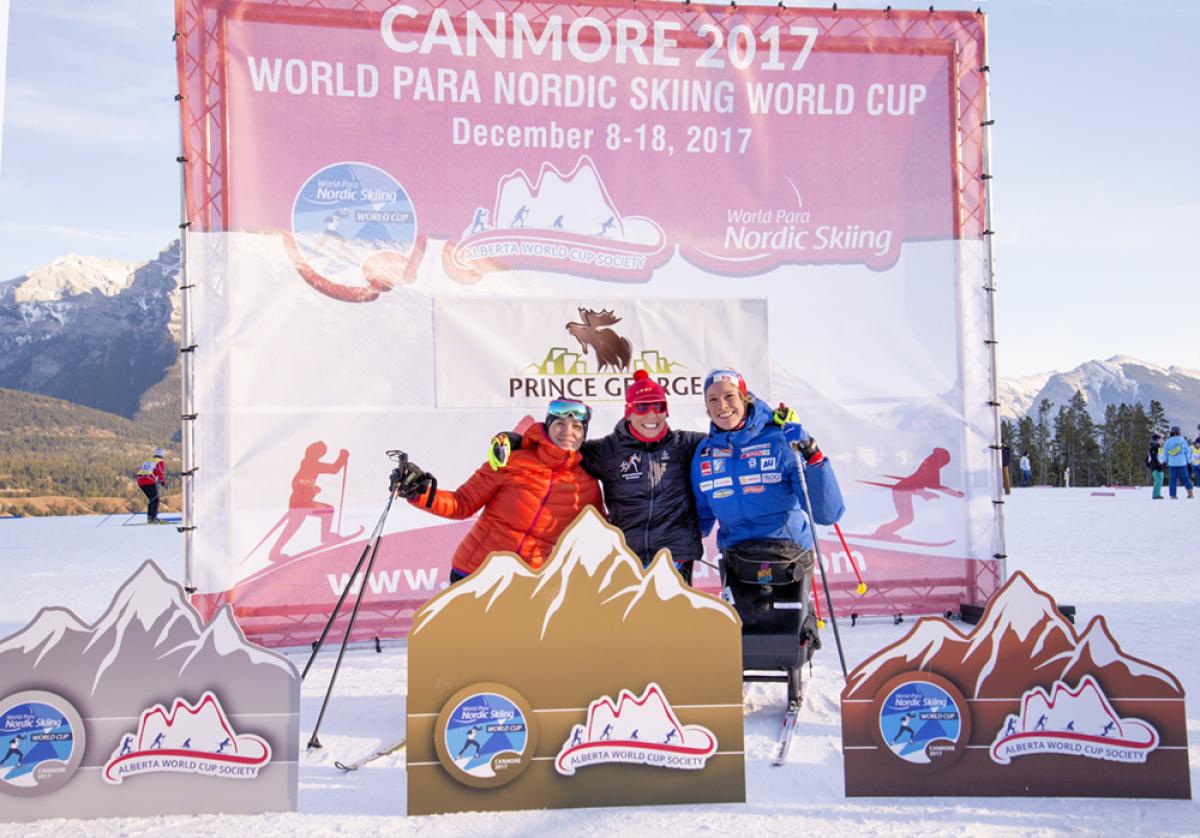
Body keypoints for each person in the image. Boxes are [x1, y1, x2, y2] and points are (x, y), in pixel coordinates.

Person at [691, 368, 844, 661]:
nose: (722, 406)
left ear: (745, 398)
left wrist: (812, 453)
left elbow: (826, 512)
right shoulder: (704, 453)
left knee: (786, 630)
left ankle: (794, 666)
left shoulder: (779, 440)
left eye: (729, 397)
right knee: (742, 630)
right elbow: (701, 515)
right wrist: (683, 546)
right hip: (737, 556)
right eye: (713, 399)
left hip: (787, 553)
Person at [394, 399, 603, 582]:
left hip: (530, 584)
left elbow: (596, 536)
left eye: (576, 426)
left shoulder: (586, 484)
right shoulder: (510, 461)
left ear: (584, 434)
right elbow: (462, 504)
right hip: (476, 573)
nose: (568, 432)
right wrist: (419, 492)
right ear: (547, 427)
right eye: (559, 424)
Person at [134, 449, 168, 523]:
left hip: (140, 480)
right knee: (156, 499)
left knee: (151, 499)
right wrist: (163, 482)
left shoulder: (148, 461)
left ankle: (150, 518)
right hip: (149, 480)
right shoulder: (159, 461)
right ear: (162, 455)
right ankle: (153, 518)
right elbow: (160, 472)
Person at [1161, 426, 1193, 499]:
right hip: (1182, 462)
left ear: (1172, 432)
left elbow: (1165, 453)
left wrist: (1164, 462)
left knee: (1173, 479)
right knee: (1185, 478)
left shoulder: (1168, 442)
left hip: (1172, 463)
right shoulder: (1183, 441)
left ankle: (1173, 495)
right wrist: (1189, 462)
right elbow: (1187, 452)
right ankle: (1190, 493)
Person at [1147, 434, 1166, 499]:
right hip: (1155, 468)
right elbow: (1154, 458)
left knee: (1160, 480)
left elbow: (1161, 457)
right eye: (1161, 439)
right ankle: (1155, 495)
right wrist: (1157, 466)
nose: (1163, 441)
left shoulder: (1160, 448)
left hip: (1160, 467)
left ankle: (1157, 494)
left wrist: (1163, 464)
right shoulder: (1154, 448)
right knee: (1158, 480)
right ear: (1157, 440)